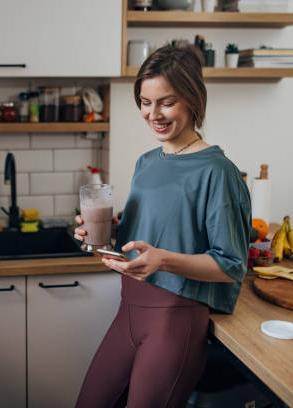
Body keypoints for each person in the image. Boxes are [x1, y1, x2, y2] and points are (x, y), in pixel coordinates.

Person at [73, 45, 251, 408]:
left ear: (192, 99)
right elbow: (147, 235)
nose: (153, 114)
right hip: (128, 311)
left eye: (166, 102)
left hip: (175, 320)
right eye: (145, 102)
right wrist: (101, 238)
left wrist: (163, 261)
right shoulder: (146, 162)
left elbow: (231, 265)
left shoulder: (217, 172)